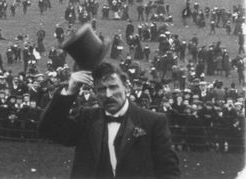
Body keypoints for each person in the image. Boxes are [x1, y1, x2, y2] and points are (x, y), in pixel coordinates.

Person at [38, 62, 180, 178]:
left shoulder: (153, 121)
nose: (108, 94)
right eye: (101, 89)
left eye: (113, 87)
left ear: (126, 86)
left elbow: (169, 171)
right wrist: (70, 91)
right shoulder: (86, 118)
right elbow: (47, 129)